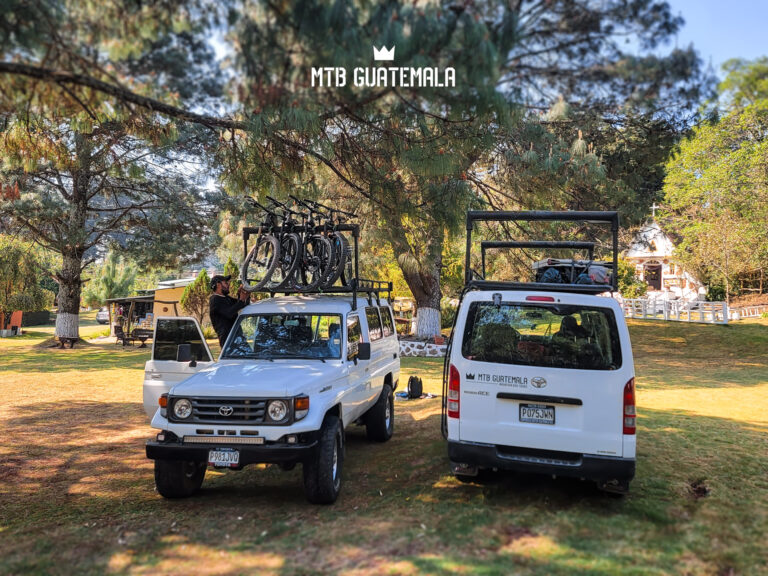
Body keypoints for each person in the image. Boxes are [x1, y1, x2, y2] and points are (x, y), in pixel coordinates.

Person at [209, 275, 249, 347]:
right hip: (228, 340)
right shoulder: (215, 300)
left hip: (237, 337)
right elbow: (229, 313)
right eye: (226, 283)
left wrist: (242, 294)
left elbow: (241, 305)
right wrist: (241, 300)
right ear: (218, 285)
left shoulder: (226, 298)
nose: (228, 285)